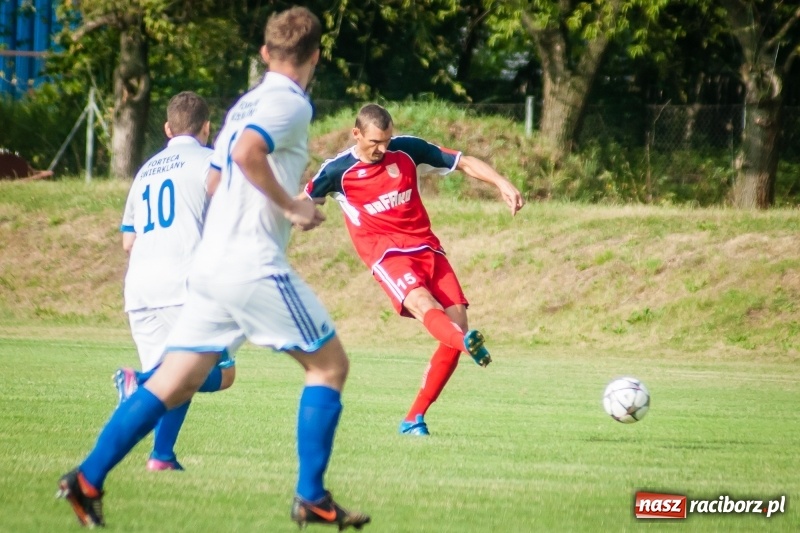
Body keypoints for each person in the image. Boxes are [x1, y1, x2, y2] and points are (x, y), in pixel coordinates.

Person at [57, 7, 370, 530]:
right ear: (316, 55)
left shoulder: (245, 103)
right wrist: (291, 207)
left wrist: (261, 207)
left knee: (172, 382)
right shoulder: (290, 103)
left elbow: (216, 182)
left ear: (266, 54)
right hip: (251, 264)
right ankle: (311, 497)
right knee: (328, 366)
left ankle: (87, 478)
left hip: (210, 267)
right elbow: (249, 155)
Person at [304, 103, 525, 436]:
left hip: (428, 248)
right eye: (375, 142)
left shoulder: (405, 150)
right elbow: (304, 201)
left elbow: (462, 161)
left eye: (387, 141)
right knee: (426, 307)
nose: (382, 149)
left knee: (458, 322)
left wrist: (502, 183)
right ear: (356, 134)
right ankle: (466, 344)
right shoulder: (338, 171)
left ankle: (413, 418)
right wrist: (300, 214)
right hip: (387, 255)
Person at [116, 90, 236, 472]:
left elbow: (127, 240)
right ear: (207, 127)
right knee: (219, 374)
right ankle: (139, 382)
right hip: (185, 285)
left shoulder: (145, 170)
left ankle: (162, 456)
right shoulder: (210, 162)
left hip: (140, 289)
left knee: (178, 375)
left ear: (168, 128)